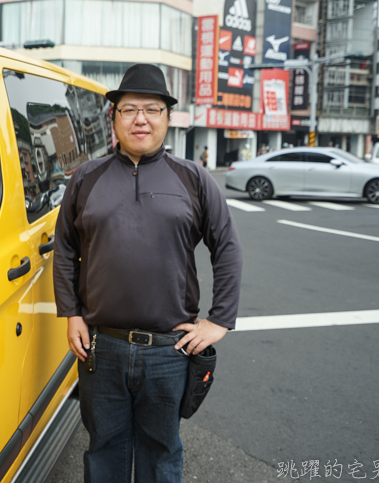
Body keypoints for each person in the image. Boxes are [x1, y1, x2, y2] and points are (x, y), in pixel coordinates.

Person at [53, 63, 243, 483]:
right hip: (101, 348)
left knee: (162, 454)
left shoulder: (193, 178)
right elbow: (65, 248)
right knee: (103, 450)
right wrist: (72, 314)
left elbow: (226, 247)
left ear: (168, 119)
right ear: (114, 118)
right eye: (129, 109)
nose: (141, 119)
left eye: (153, 109)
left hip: (169, 351)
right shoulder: (86, 178)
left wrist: (219, 321)